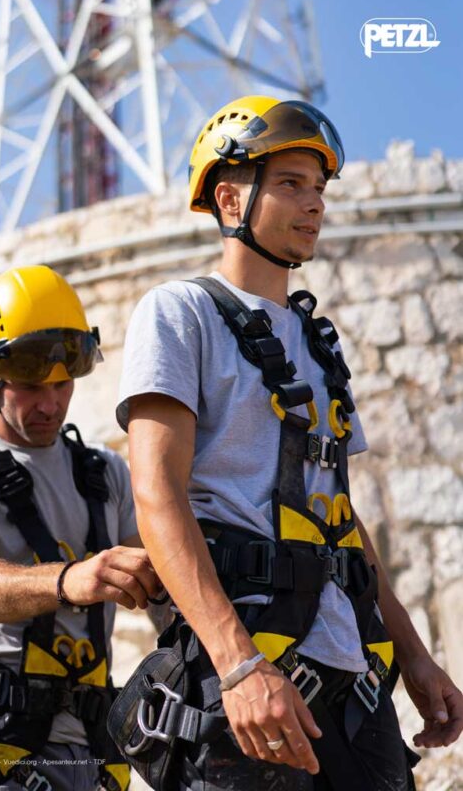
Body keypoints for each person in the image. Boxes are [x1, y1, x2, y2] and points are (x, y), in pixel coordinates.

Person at [115, 96, 463, 790]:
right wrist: (239, 665)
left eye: (320, 188)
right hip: (252, 678)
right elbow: (156, 494)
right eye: (291, 184)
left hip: (354, 682)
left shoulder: (318, 343)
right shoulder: (181, 313)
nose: (315, 204)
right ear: (229, 197)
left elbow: (339, 516)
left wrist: (415, 656)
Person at [0, 265, 161, 791]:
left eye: (63, 384)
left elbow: (165, 586)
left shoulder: (104, 474)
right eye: (29, 386)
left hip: (93, 751)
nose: (50, 404)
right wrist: (69, 580)